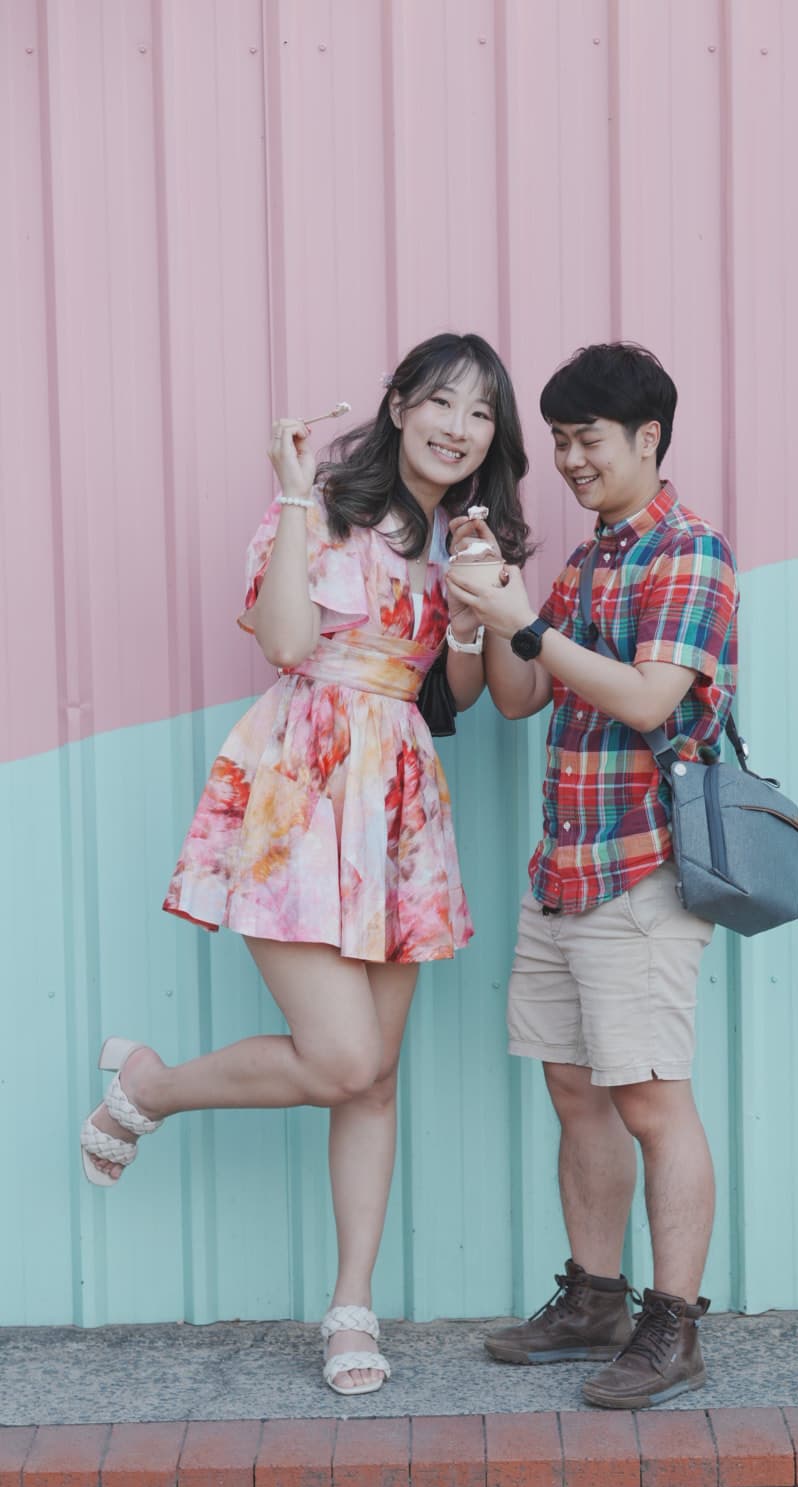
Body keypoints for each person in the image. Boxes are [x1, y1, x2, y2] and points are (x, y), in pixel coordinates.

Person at [79, 332, 529, 1396]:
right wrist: (289, 493)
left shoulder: (469, 535)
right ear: (399, 403)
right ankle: (153, 1086)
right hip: (303, 783)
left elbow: (451, 698)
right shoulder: (325, 505)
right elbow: (285, 643)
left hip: (399, 801)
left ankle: (350, 1306)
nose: (457, 427)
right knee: (340, 1057)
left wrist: (470, 614)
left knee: (373, 1077)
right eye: (440, 402)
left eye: (478, 413)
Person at [448, 342, 737, 1409]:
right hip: (562, 867)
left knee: (653, 1098)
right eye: (558, 439)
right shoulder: (585, 562)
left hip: (645, 872)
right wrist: (482, 606)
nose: (568, 458)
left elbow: (651, 699)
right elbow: (523, 699)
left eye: (587, 438)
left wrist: (528, 618)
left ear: (648, 439)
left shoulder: (689, 554)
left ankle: (675, 1324)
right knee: (574, 1085)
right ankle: (595, 1299)